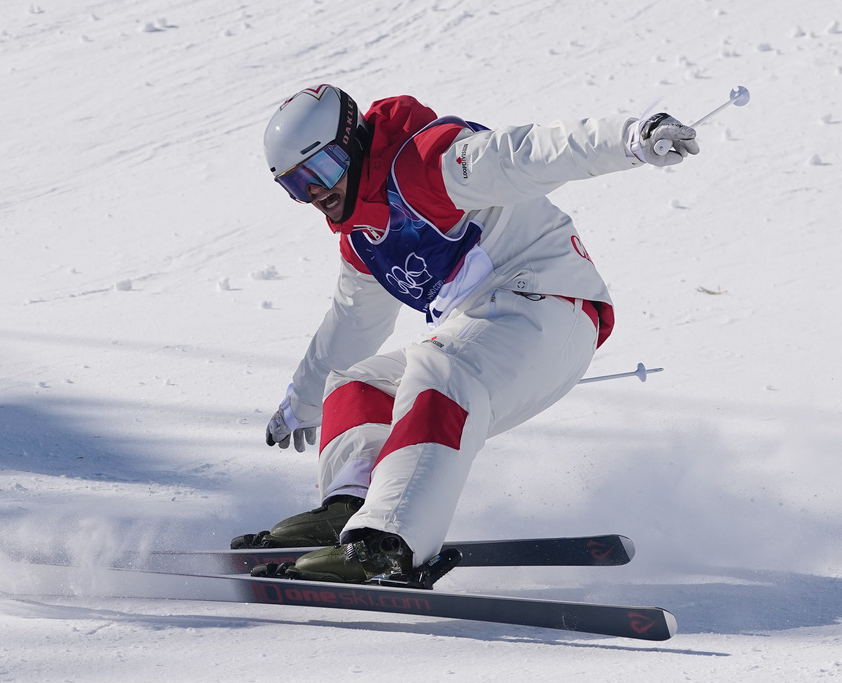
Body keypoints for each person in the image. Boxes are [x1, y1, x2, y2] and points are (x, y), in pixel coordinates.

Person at [233, 84, 698, 584]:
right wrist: (302, 402)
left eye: (320, 171)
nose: (316, 194)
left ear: (353, 145)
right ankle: (350, 507)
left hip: (551, 307)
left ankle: (389, 542)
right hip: (483, 326)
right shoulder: (364, 237)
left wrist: (632, 138)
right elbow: (351, 323)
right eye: (296, 186)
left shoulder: (429, 166)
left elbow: (532, 153)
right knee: (358, 384)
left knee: (439, 372)